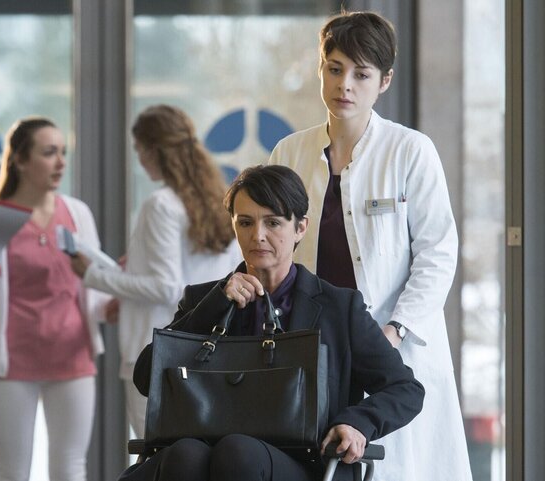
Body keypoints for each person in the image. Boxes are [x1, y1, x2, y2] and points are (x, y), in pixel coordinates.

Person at [268, 11, 472, 481]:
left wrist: (396, 330)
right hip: (317, 346)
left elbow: (438, 253)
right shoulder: (289, 153)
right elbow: (274, 248)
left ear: (384, 81)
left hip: (392, 343)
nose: (346, 85)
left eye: (362, 74)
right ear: (320, 69)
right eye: (335, 68)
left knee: (403, 466)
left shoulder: (410, 150)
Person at [122, 165, 424, 481]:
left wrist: (358, 423)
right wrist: (213, 306)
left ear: (300, 228)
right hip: (204, 459)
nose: (258, 236)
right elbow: (146, 378)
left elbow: (404, 388)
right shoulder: (205, 301)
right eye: (246, 222)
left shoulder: (338, 308)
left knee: (237, 452)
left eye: (273, 223)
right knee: (186, 454)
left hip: (304, 463)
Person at [70, 104, 241, 437]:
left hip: (155, 350)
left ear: (153, 150)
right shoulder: (217, 201)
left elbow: (166, 287)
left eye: (139, 150)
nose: (138, 159)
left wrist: (91, 274)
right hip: (207, 351)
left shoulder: (161, 204)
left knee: (154, 459)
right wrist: (131, 271)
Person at [0, 117, 108, 481]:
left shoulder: (77, 213)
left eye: (63, 152)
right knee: (12, 470)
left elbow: (96, 287)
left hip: (72, 357)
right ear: (20, 160)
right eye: (49, 152)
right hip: (14, 363)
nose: (61, 163)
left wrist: (118, 302)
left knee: (71, 468)